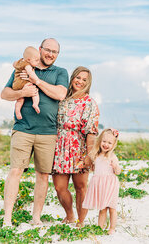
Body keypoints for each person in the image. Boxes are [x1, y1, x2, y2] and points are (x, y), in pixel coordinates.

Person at [1, 38, 68, 226]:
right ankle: (7, 218)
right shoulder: (25, 66)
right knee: (15, 170)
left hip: (48, 132)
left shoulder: (60, 72)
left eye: (55, 52)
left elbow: (60, 94)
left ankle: (36, 218)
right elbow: (4, 93)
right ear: (40, 49)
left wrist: (36, 81)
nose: (50, 54)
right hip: (23, 128)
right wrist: (22, 93)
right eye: (48, 50)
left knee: (43, 175)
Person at [52, 66, 100, 227]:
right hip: (59, 147)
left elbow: (91, 131)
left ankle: (81, 221)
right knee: (59, 187)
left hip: (78, 146)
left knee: (80, 186)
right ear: (72, 78)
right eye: (77, 78)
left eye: (84, 80)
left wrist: (90, 155)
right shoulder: (62, 98)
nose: (79, 81)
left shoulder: (89, 102)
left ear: (88, 83)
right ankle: (70, 214)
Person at [82, 128, 121, 235]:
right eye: (104, 141)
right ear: (100, 141)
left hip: (110, 184)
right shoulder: (96, 156)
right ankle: (100, 227)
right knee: (102, 208)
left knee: (112, 207)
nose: (106, 145)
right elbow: (93, 168)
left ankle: (112, 228)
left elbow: (118, 172)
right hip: (100, 185)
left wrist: (115, 166)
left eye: (109, 143)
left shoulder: (112, 157)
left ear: (113, 145)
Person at [12, 46, 41, 120]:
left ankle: (17, 111)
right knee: (35, 92)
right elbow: (30, 73)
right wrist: (37, 80)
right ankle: (35, 104)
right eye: (36, 60)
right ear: (28, 59)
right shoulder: (27, 65)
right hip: (23, 83)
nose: (38, 62)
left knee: (20, 100)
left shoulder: (20, 62)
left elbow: (14, 64)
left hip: (16, 84)